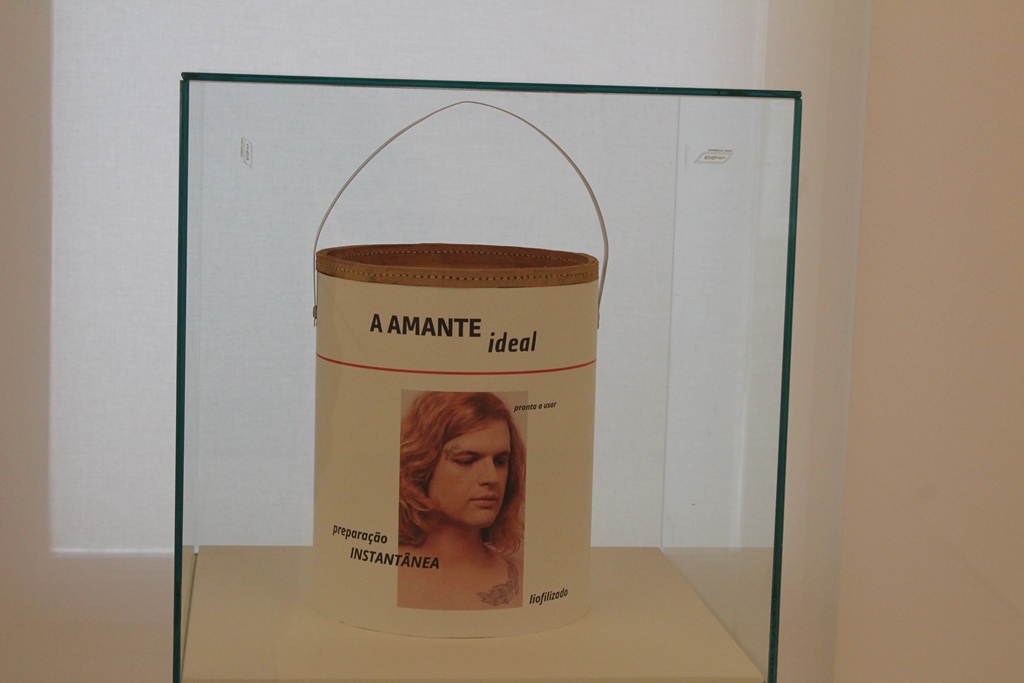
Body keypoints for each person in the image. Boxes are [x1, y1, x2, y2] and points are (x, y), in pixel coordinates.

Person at [397, 391, 525, 610]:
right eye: (467, 460)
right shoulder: (381, 570)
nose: (491, 478)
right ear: (421, 466)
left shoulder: (524, 578)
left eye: (500, 461)